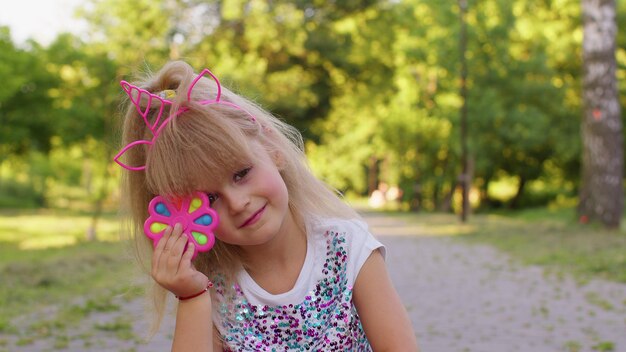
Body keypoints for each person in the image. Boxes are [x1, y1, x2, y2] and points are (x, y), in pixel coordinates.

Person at [115, 60, 418, 351]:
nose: (237, 203)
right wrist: (191, 296)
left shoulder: (346, 247)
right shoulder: (212, 286)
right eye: (209, 199)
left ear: (272, 148)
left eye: (241, 173)